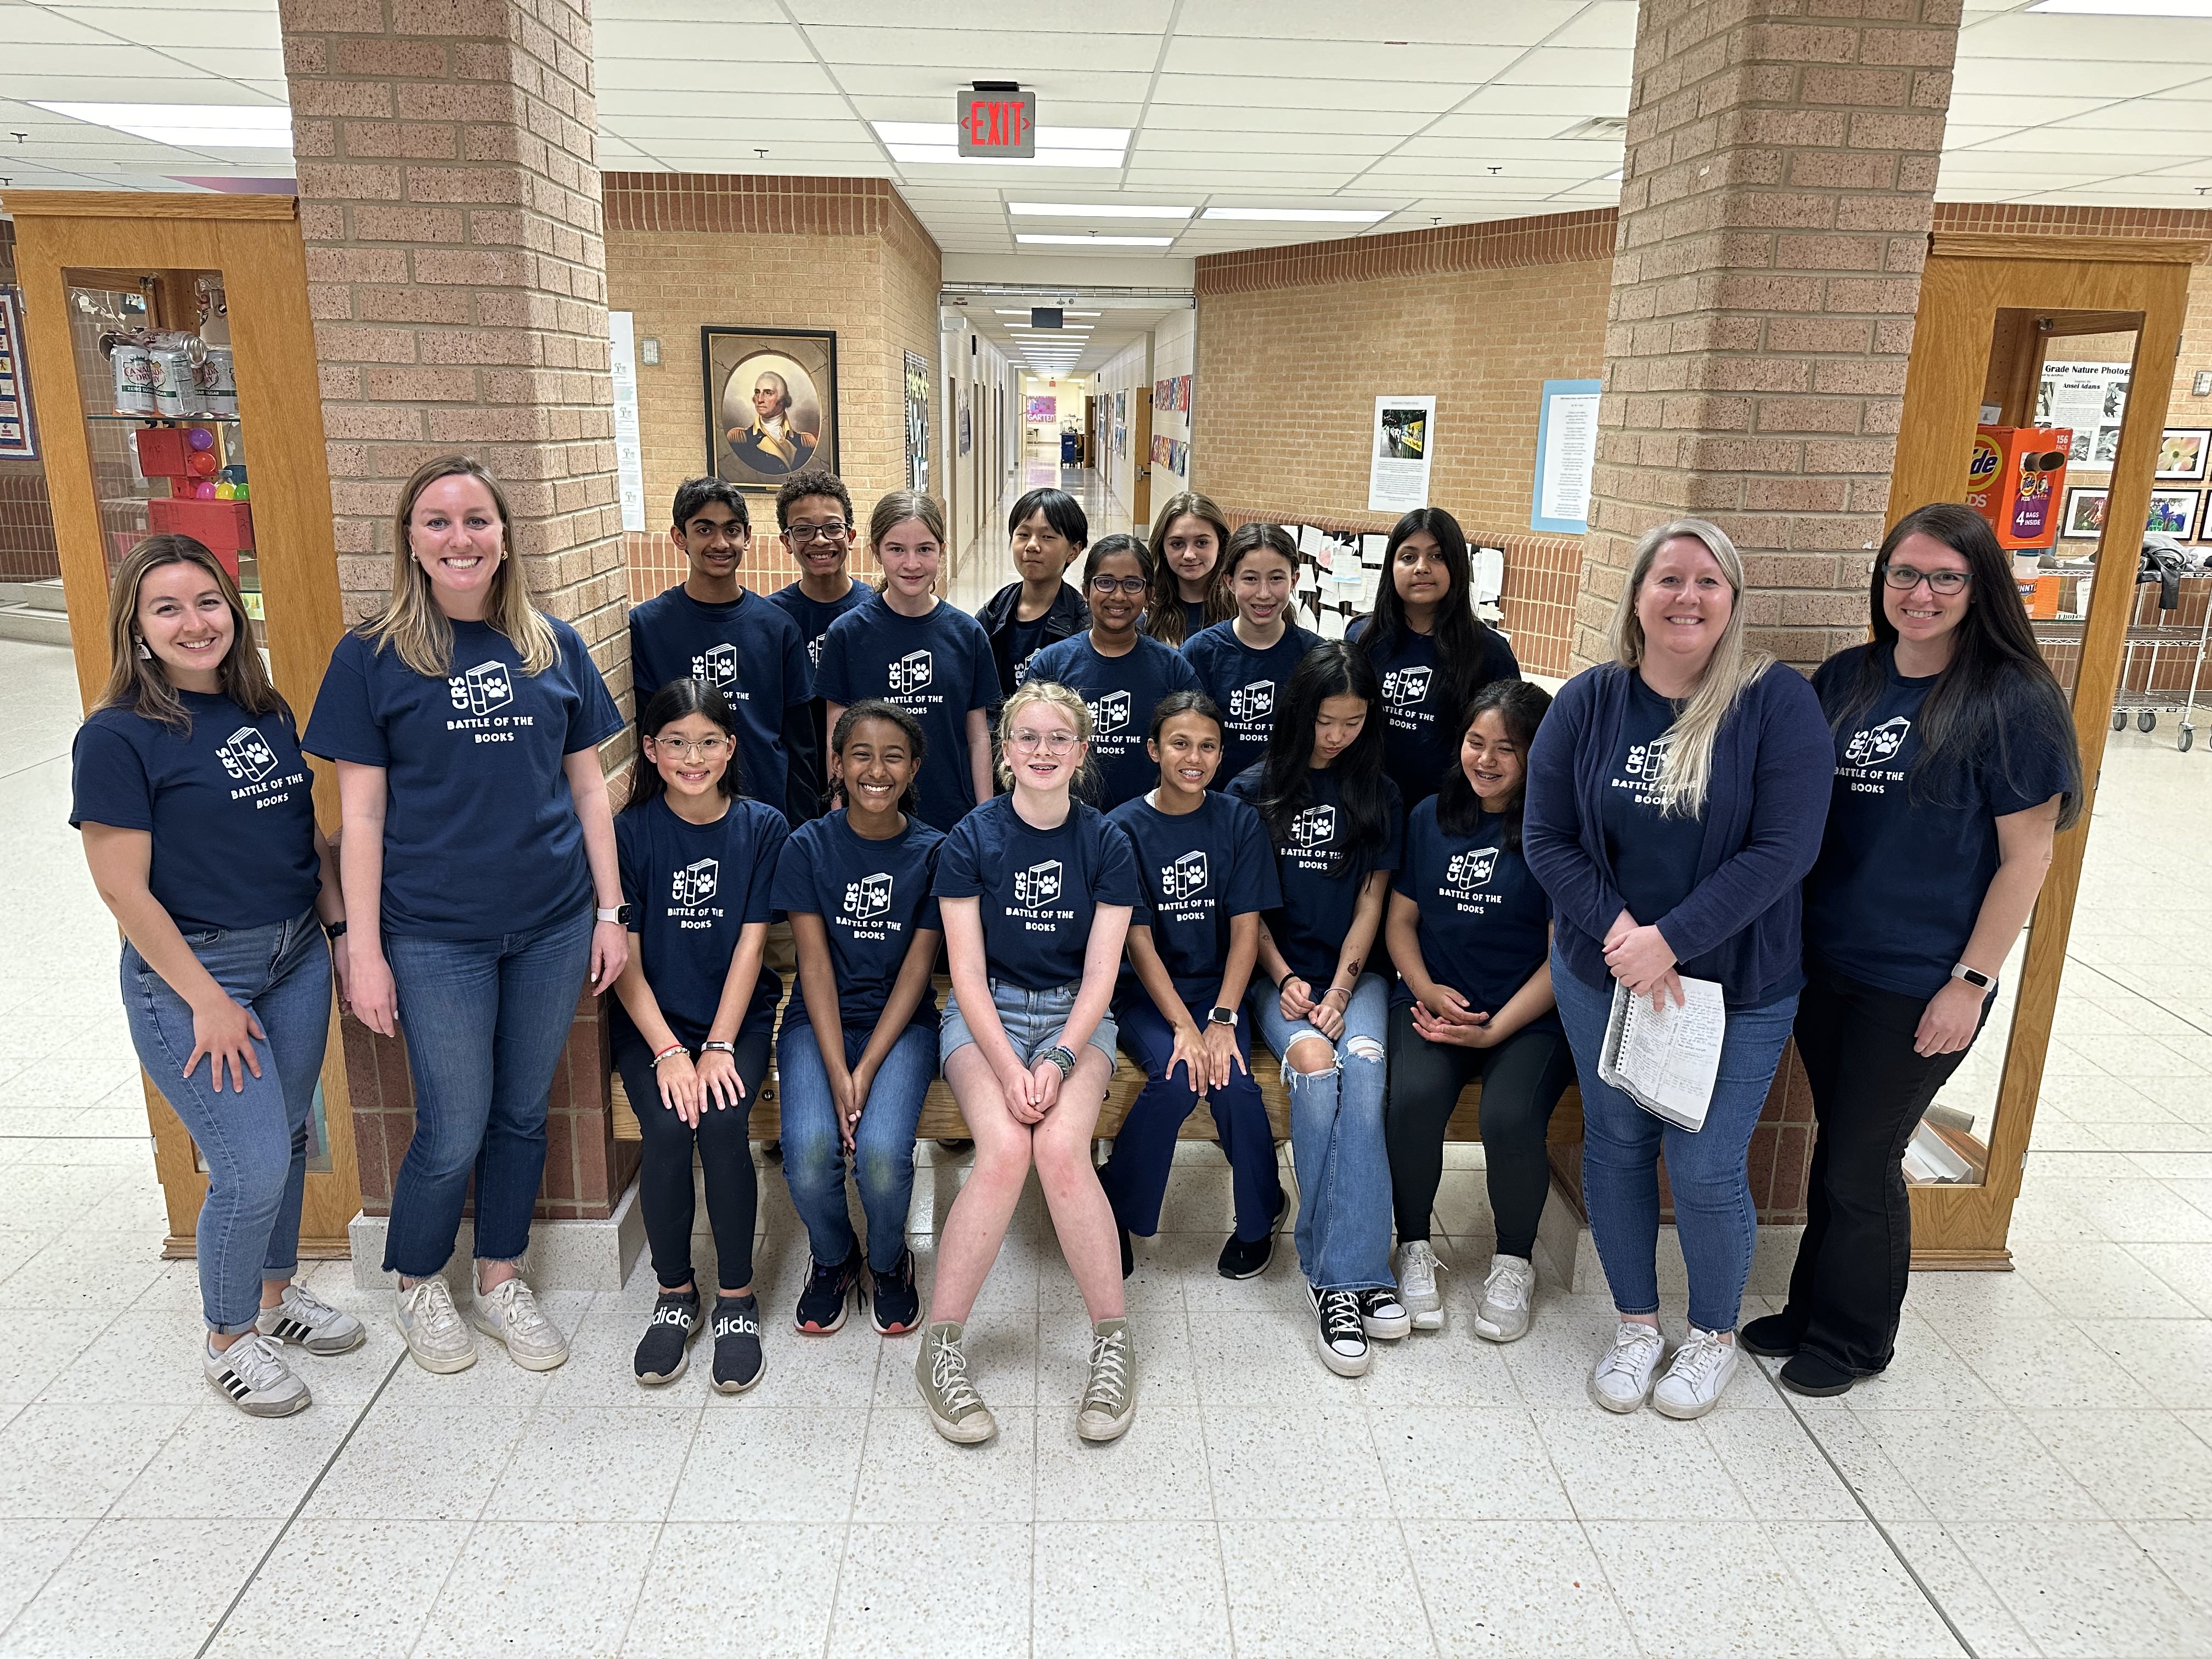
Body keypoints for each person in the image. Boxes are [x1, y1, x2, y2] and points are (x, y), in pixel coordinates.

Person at [1745, 503, 2081, 1396]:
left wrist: (1970, 981)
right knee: (1838, 1142)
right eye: (1903, 573)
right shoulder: (1846, 677)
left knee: (1863, 1155)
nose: (1919, 593)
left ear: (1979, 588)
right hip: (1826, 960)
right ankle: (1812, 1303)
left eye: (1942, 577)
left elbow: (2027, 857)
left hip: (1923, 975)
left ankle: (1857, 1339)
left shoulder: (2011, 698)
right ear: (1881, 580)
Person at [305, 455, 628, 1377]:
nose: (460, 538)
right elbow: (357, 818)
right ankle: (416, 1279)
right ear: (408, 537)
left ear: (504, 535)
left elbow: (588, 791)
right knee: (454, 1119)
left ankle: (498, 1277)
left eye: (477, 519)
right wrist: (361, 949)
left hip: (552, 920)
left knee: (524, 1111)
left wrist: (610, 909)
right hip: (432, 930)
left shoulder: (549, 645)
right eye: (438, 521)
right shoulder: (369, 658)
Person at [1522, 517, 1830, 1420]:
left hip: (1738, 982)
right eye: (1668, 579)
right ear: (1637, 596)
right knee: (1616, 1147)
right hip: (1604, 970)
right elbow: (1546, 836)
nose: (1685, 597)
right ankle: (1634, 1323)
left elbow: (1785, 846)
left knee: (1702, 1165)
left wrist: (1672, 937)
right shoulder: (1588, 702)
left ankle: (1709, 1335)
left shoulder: (1774, 703)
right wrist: (1623, 930)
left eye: (1706, 581)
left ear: (1731, 600)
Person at [72, 535, 360, 1417]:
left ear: (234, 613)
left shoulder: (264, 709)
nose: (194, 623)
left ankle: (276, 1300)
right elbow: (122, 888)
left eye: (208, 602)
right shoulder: (118, 736)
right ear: (138, 627)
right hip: (198, 973)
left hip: (295, 952)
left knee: (291, 1137)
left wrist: (339, 930)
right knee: (251, 1164)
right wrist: (207, 999)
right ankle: (229, 1336)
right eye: (168, 608)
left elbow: (300, 837)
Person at [916, 682, 1141, 1446]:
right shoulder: (971, 841)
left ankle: (1113, 1342)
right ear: (1005, 750)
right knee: (1007, 1148)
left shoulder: (1107, 842)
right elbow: (967, 977)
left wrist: (1065, 1055)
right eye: (1027, 738)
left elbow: (1105, 974)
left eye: (1059, 739)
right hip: (989, 1017)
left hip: (1078, 1012)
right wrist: (1011, 1067)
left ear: (1081, 754)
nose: (1042, 752)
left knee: (1063, 1151)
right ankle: (941, 1348)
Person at [1228, 644, 1408, 1376]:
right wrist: (1286, 979)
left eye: (1354, 722)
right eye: (1326, 721)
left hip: (1352, 976)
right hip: (1276, 974)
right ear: (1300, 714)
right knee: (1315, 1067)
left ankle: (1354, 1270)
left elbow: (1373, 900)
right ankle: (1340, 1279)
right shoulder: (1253, 790)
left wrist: (1338, 989)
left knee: (1362, 1072)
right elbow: (1247, 910)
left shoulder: (1380, 794)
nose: (1337, 736)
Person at [1383, 682, 1575, 1342]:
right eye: (1475, 742)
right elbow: (1400, 922)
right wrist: (1428, 989)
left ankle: (1514, 1260)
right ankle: (1412, 1247)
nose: (1486, 760)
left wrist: (1494, 1028)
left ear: (1537, 757)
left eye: (1507, 750)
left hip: (1527, 1016)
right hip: (1437, 1004)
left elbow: (1561, 963)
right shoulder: (1429, 816)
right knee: (1410, 1098)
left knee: (1509, 1113)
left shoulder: (1557, 831)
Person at [611, 679, 787, 1393]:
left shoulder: (761, 827)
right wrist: (667, 1051)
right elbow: (619, 955)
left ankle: (737, 1298)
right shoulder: (629, 834)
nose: (693, 756)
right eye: (676, 742)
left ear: (731, 747)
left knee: (721, 1123)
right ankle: (675, 1292)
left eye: (708, 741)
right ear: (651, 750)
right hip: (651, 1017)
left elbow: (751, 947)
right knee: (665, 1123)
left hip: (732, 1017)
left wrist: (715, 1045)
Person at [774, 699, 944, 1339]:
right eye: (861, 755)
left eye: (893, 756)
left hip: (901, 1027)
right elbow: (812, 967)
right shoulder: (807, 846)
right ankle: (834, 1257)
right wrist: (839, 1068)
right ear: (838, 765)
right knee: (811, 1152)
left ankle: (888, 1260)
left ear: (914, 767)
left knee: (879, 1155)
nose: (877, 769)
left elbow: (917, 969)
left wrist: (866, 1067)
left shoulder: (934, 851)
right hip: (816, 1024)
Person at [1102, 692, 1285, 1279]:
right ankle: (1111, 1205)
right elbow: (1137, 941)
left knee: (1232, 1081)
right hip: (1144, 992)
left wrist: (1222, 1019)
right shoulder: (1121, 828)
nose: (1195, 757)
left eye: (1208, 746)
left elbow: (1246, 930)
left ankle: (1262, 1217)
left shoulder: (1238, 820)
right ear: (1154, 749)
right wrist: (1184, 1025)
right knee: (1179, 1077)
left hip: (1219, 991)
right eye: (1180, 743)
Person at [628, 477, 815, 825]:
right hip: (681, 814)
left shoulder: (778, 628)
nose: (720, 543)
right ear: (679, 537)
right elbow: (644, 734)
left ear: (747, 536)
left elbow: (800, 744)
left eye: (731, 530)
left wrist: (802, 828)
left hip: (766, 813)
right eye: (704, 529)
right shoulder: (647, 627)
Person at [815, 492, 998, 833]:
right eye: (896, 549)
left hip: (951, 815)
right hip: (871, 814)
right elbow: (835, 736)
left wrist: (984, 815)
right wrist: (838, 813)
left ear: (942, 551)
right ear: (876, 552)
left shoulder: (968, 635)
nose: (911, 564)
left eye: (924, 549)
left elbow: (978, 737)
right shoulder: (847, 634)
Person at [1348, 506, 1522, 814]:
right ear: (1390, 567)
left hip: (1446, 817)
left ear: (1457, 566)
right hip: (1366, 809)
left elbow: (1508, 745)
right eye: (1408, 557)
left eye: (1437, 556)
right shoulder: (1362, 637)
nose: (1422, 567)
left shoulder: (1489, 652)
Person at [1023, 533, 1203, 809]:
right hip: (1065, 820)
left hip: (1146, 823)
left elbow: (1193, 750)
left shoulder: (1173, 670)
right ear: (1086, 591)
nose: (1118, 596)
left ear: (1149, 595)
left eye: (1132, 584)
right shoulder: (1051, 665)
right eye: (1105, 583)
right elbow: (1024, 746)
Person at [766, 471, 874, 826]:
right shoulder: (770, 619)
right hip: (794, 783)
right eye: (803, 529)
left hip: (866, 781)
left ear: (851, 535)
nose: (820, 540)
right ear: (786, 541)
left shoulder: (876, 610)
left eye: (832, 528)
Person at [1183, 523, 1324, 787]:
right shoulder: (1199, 653)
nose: (1264, 593)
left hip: (1290, 802)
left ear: (1294, 580)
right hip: (1218, 805)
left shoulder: (1316, 657)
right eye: (1250, 578)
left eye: (1276, 578)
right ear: (1230, 582)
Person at [975, 488, 1090, 696]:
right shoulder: (992, 614)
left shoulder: (1083, 622)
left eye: (1047, 537)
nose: (1032, 546)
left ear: (1074, 551)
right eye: (1023, 535)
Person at [1144, 490, 1235, 646]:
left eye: (1201, 543)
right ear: (1163, 550)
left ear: (1221, 544)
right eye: (1177, 544)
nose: (1189, 555)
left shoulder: (1243, 606)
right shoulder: (1147, 608)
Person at [727, 368, 818, 476]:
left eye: (768, 393)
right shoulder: (741, 439)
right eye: (757, 393)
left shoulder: (804, 443)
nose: (760, 399)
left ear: (782, 399)